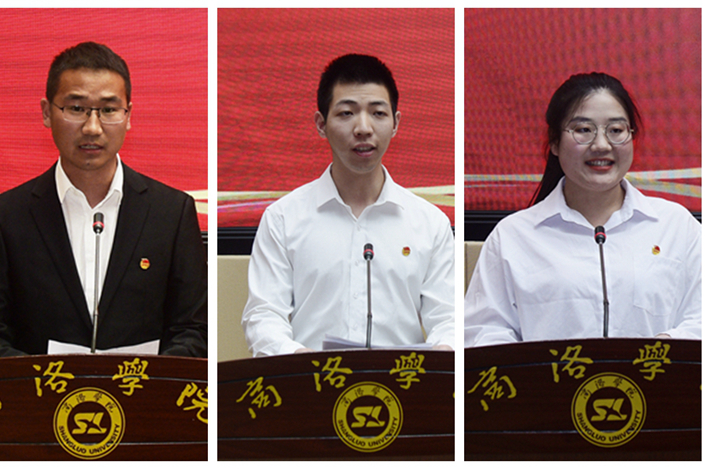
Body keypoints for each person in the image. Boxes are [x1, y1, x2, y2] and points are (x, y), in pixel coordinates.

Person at [0, 42, 207, 359]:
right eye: (76, 108)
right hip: (42, 389)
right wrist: (42, 379)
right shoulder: (4, 217)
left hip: (141, 389)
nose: (92, 128)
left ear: (128, 115)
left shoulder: (172, 213)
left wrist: (151, 379)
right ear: (46, 112)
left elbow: (193, 330)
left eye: (108, 110)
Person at [465, 72, 701, 347]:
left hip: (655, 374)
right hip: (551, 377)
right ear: (554, 142)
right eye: (584, 130)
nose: (601, 145)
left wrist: (667, 346)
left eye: (616, 130)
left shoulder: (676, 226)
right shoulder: (513, 236)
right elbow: (483, 332)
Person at [242, 54, 455, 356]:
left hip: (403, 382)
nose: (363, 128)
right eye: (346, 113)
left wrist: (444, 350)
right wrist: (297, 360)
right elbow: (263, 315)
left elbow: (448, 316)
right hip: (313, 379)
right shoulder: (283, 218)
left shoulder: (430, 223)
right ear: (321, 124)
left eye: (378, 113)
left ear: (395, 123)